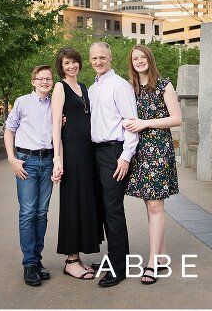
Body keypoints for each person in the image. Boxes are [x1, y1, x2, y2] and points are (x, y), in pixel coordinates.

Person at [124, 45, 182, 284]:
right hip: (139, 151)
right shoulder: (130, 89)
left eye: (143, 57)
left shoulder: (164, 84)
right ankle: (162, 256)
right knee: (150, 206)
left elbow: (177, 119)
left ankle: (151, 263)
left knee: (156, 206)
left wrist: (145, 123)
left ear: (150, 58)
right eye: (135, 58)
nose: (139, 61)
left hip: (158, 151)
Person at [88, 41, 139, 287]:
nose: (98, 62)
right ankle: (112, 257)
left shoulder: (120, 86)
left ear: (110, 57)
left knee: (113, 210)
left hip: (114, 152)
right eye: (94, 58)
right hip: (95, 152)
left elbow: (131, 123)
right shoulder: (92, 89)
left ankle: (119, 267)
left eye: (102, 57)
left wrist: (125, 156)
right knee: (104, 209)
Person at [50, 46, 104, 280]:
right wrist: (57, 158)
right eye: (66, 63)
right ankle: (71, 260)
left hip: (88, 152)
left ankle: (78, 257)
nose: (71, 66)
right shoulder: (60, 87)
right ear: (60, 67)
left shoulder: (83, 87)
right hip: (71, 152)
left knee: (85, 202)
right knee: (72, 202)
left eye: (74, 62)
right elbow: (55, 125)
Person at [4, 65, 55, 286]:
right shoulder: (22, 102)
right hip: (27, 162)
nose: (45, 82)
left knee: (41, 213)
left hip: (49, 162)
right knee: (27, 213)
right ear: (33, 81)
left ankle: (37, 259)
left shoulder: (56, 103)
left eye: (48, 79)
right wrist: (12, 159)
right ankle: (29, 264)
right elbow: (9, 129)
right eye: (40, 78)